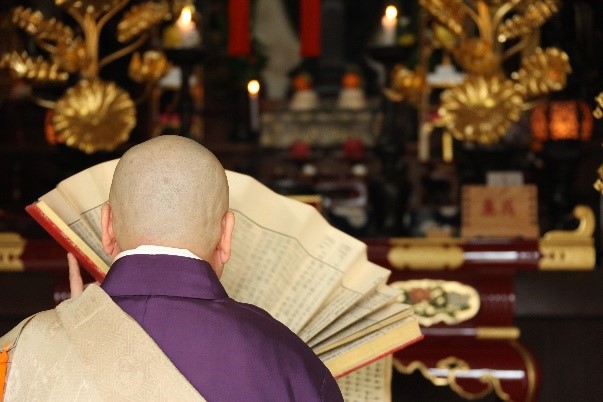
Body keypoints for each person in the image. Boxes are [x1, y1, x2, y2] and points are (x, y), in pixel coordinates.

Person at [0, 135, 343, 401]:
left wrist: (73, 334)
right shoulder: (286, 360)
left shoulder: (21, 351)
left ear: (107, 226)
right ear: (226, 234)